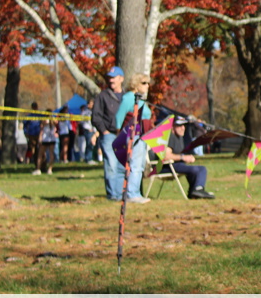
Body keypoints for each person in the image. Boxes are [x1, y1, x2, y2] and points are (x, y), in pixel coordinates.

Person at [113, 73, 154, 204]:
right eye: (144, 83)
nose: (147, 86)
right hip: (133, 134)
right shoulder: (129, 98)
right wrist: (120, 134)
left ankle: (132, 192)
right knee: (135, 165)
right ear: (136, 84)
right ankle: (132, 194)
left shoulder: (140, 99)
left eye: (148, 83)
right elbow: (119, 117)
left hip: (142, 135)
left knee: (138, 165)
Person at [92, 67, 127, 200]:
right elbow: (96, 117)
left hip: (124, 135)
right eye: (110, 78)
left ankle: (122, 194)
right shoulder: (102, 96)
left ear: (121, 79)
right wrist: (104, 131)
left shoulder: (127, 96)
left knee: (122, 166)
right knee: (111, 165)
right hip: (109, 135)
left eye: (114, 77)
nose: (111, 80)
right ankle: (113, 195)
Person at [159, 116, 215, 199]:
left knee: (201, 169)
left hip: (176, 165)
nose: (183, 128)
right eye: (179, 126)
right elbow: (166, 156)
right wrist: (183, 158)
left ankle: (196, 191)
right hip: (167, 167)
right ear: (172, 127)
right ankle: (197, 191)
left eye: (184, 125)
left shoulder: (180, 137)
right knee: (196, 169)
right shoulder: (170, 137)